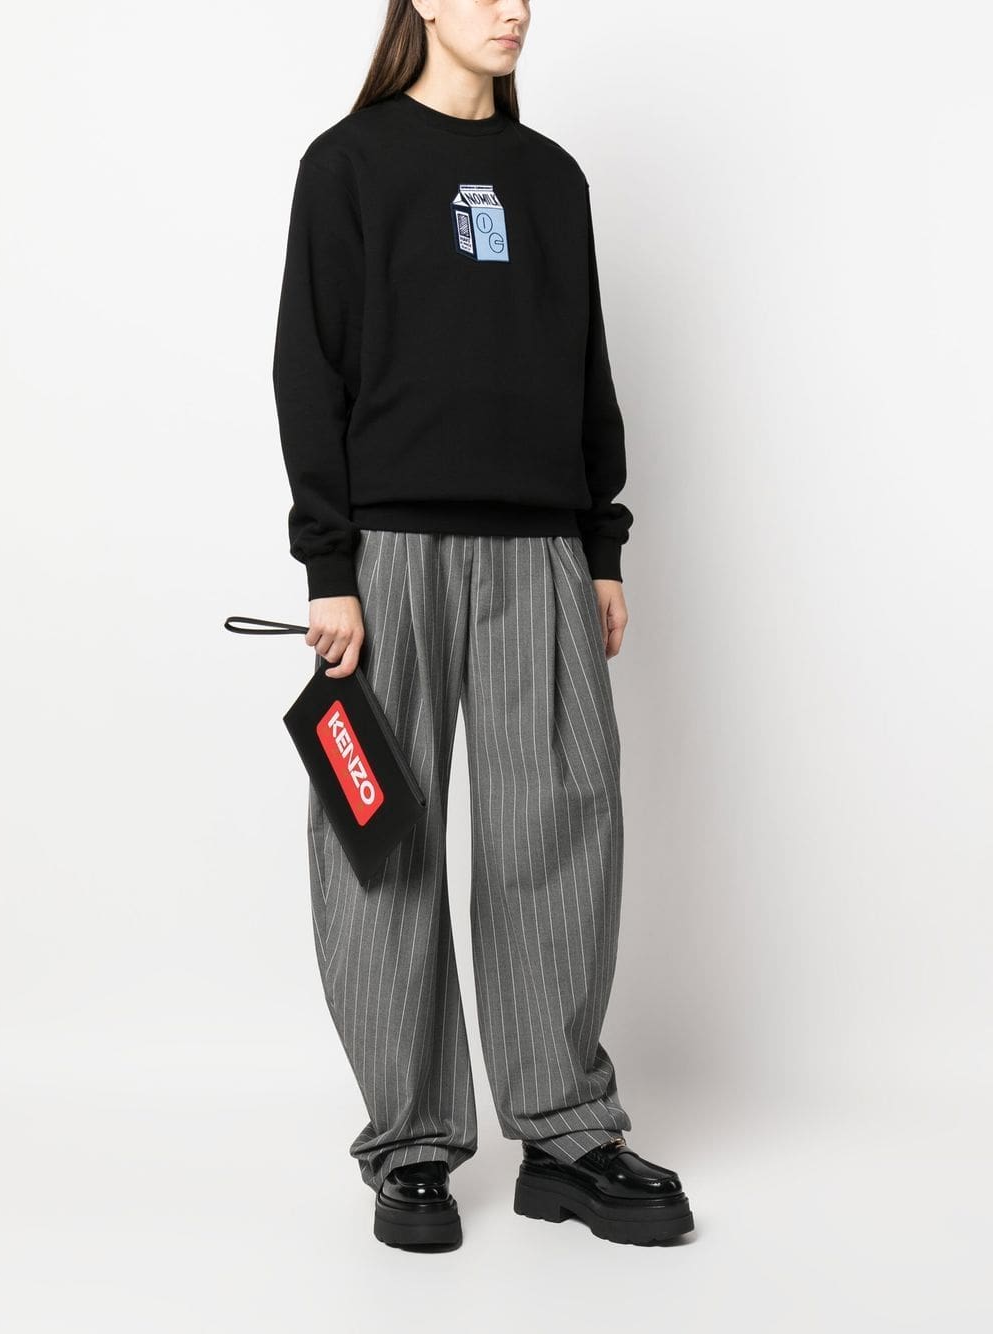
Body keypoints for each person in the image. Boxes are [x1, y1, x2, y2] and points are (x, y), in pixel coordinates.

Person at [271, 0, 694, 1250]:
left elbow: (585, 366)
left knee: (560, 827)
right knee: (380, 843)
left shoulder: (552, 179)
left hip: (542, 548)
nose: (512, 8)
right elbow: (308, 366)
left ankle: (565, 1134)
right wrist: (328, 564)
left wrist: (600, 541)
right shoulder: (348, 164)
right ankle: (410, 1144)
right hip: (388, 552)